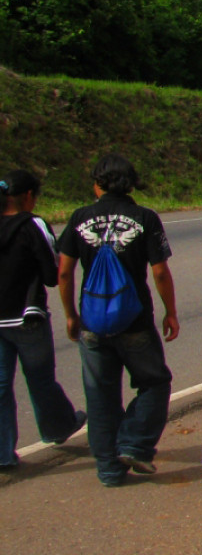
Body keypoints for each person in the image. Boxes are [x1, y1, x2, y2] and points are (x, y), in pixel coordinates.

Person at [57, 154, 179, 487]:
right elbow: (160, 271)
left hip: (93, 321)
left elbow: (65, 272)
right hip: (135, 319)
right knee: (154, 382)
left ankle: (109, 470)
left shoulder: (79, 217)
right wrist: (170, 311)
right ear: (131, 184)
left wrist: (71, 314)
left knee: (100, 396)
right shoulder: (144, 217)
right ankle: (135, 444)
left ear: (97, 184)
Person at [0, 170, 85, 470]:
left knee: (0, 386)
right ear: (27, 197)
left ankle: (3, 453)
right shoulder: (32, 224)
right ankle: (57, 427)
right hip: (27, 318)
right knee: (40, 379)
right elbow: (52, 274)